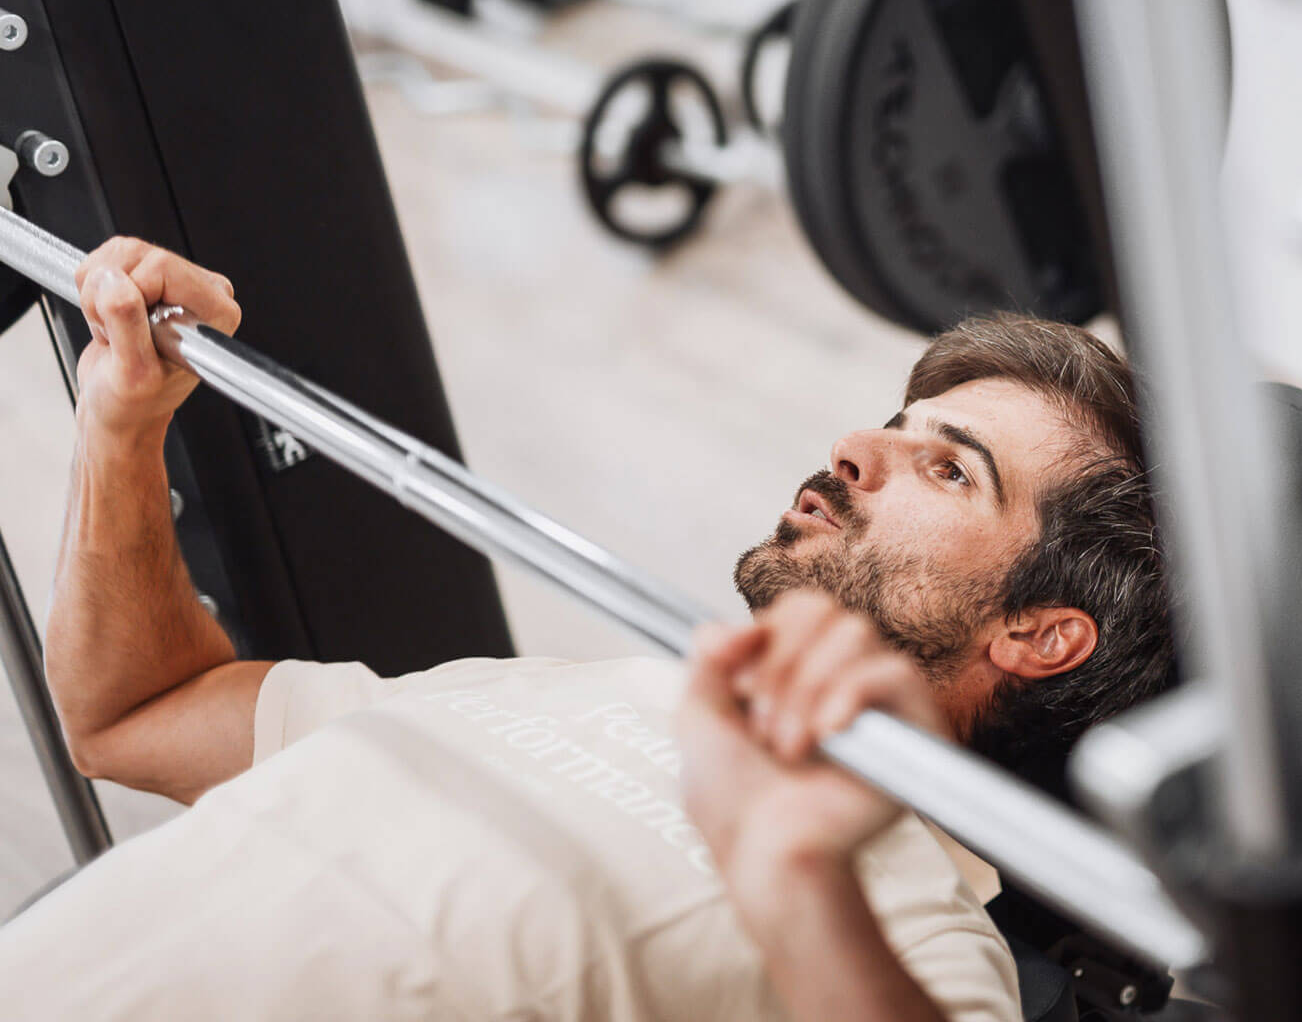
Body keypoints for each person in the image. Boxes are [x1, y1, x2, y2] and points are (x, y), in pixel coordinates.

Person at [0, 238, 1175, 1020]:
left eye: (948, 468)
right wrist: (126, 420)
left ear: (1041, 633)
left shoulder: (917, 925)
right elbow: (135, 711)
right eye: (894, 423)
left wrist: (799, 876)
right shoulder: (591, 685)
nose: (853, 447)